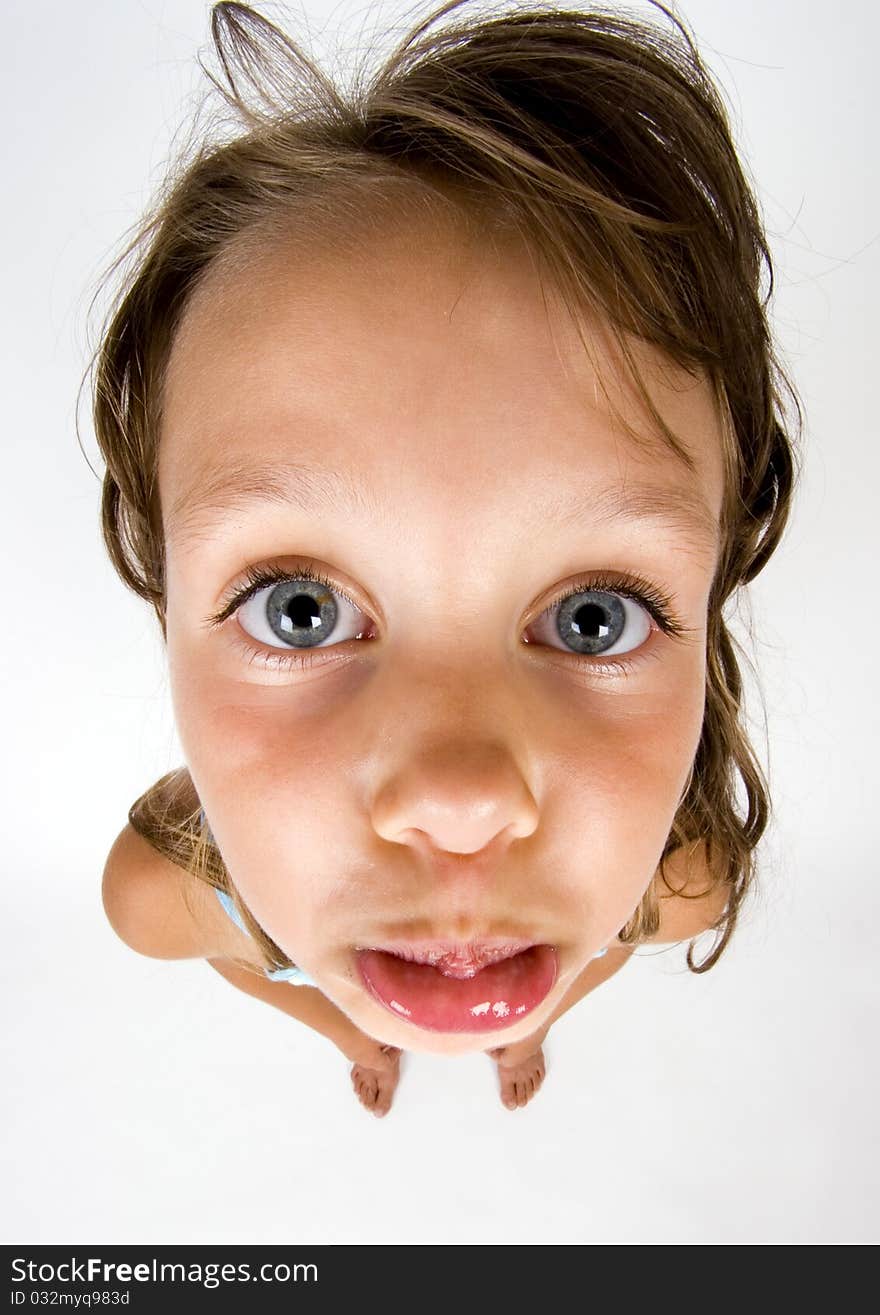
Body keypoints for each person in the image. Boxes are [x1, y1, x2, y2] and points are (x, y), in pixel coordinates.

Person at [94, 0, 803, 1118]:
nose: (460, 805)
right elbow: (243, 961)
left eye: (594, 616)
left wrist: (539, 1004)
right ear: (162, 589)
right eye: (299, 609)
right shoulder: (165, 896)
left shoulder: (680, 884)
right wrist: (341, 1027)